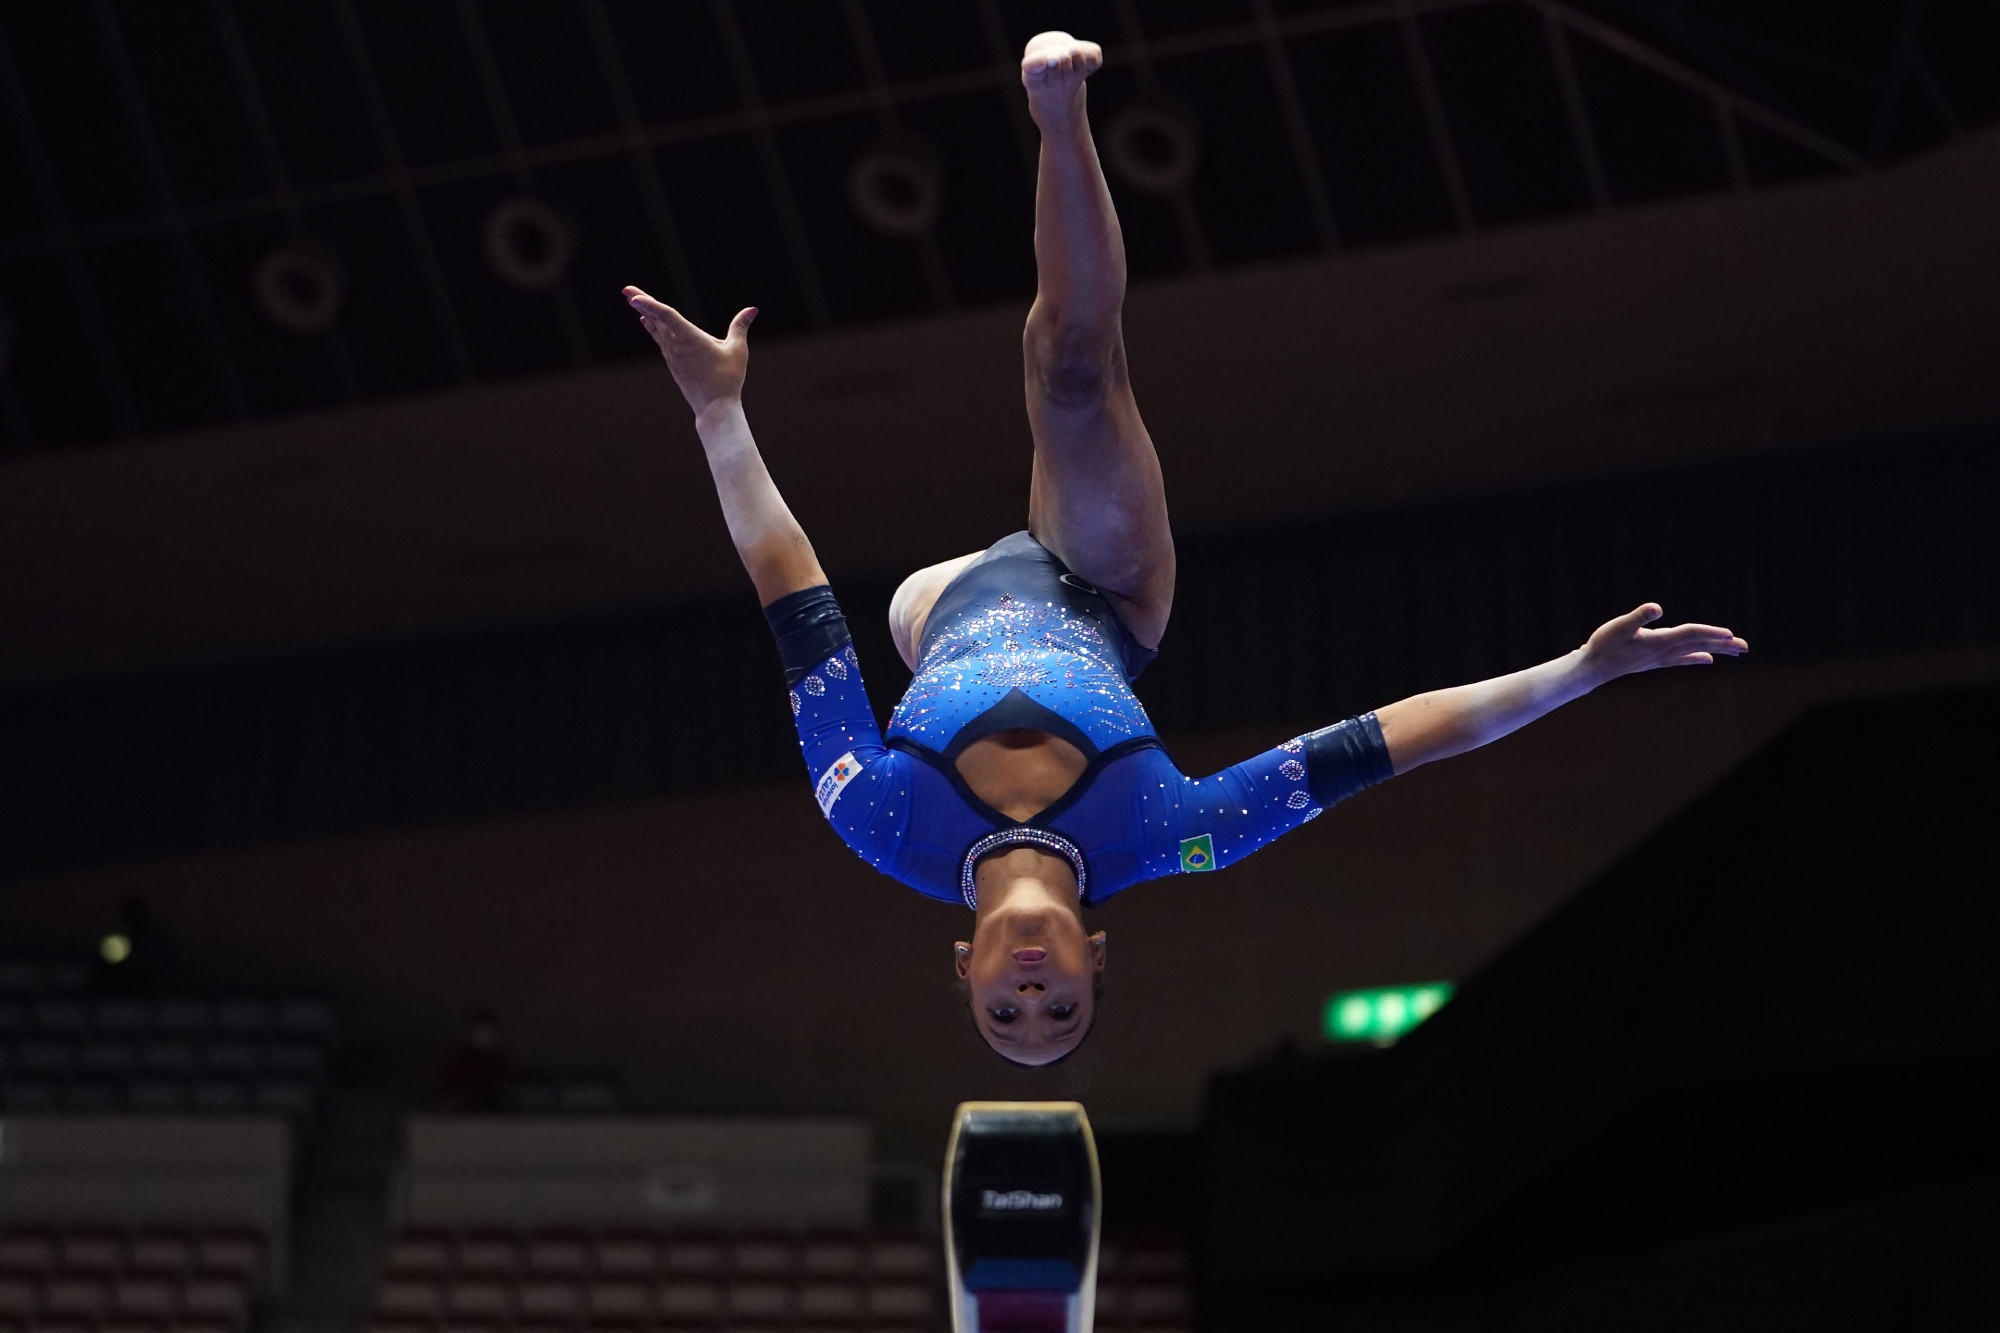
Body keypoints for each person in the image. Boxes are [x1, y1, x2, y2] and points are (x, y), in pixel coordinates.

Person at [623, 32, 1747, 1067]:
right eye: (1057, 1010)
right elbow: (1391, 741)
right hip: (1102, 593)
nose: (1030, 993)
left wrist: (717, 414)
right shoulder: (1169, 833)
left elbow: (795, 603)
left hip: (937, 613)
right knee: (1069, 370)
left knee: (889, 610)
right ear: (1095, 961)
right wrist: (1578, 674)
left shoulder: (881, 823)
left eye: (1003, 1012)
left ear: (959, 970)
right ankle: (1059, 109)